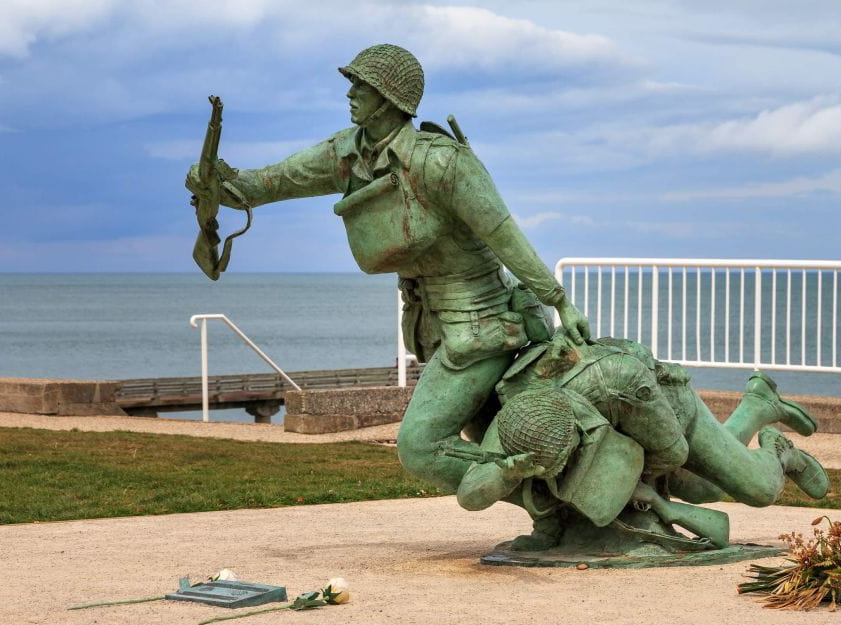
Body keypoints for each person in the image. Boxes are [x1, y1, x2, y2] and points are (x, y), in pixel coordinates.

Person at [185, 44, 589, 490]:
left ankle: (552, 511)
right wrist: (218, 184)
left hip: (481, 321)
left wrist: (560, 302)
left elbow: (504, 235)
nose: (351, 93)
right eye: (352, 83)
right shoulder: (347, 153)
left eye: (361, 85)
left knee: (421, 447)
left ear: (389, 97)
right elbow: (267, 184)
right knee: (488, 437)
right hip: (428, 325)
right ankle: (559, 517)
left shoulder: (442, 161)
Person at [453, 332, 829, 551]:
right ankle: (758, 404)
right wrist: (506, 473)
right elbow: (471, 494)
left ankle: (780, 452)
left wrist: (638, 487)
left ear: (577, 428)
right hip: (623, 433)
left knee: (756, 489)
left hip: (669, 413)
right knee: (704, 489)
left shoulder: (618, 379)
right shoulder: (519, 419)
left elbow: (674, 452)